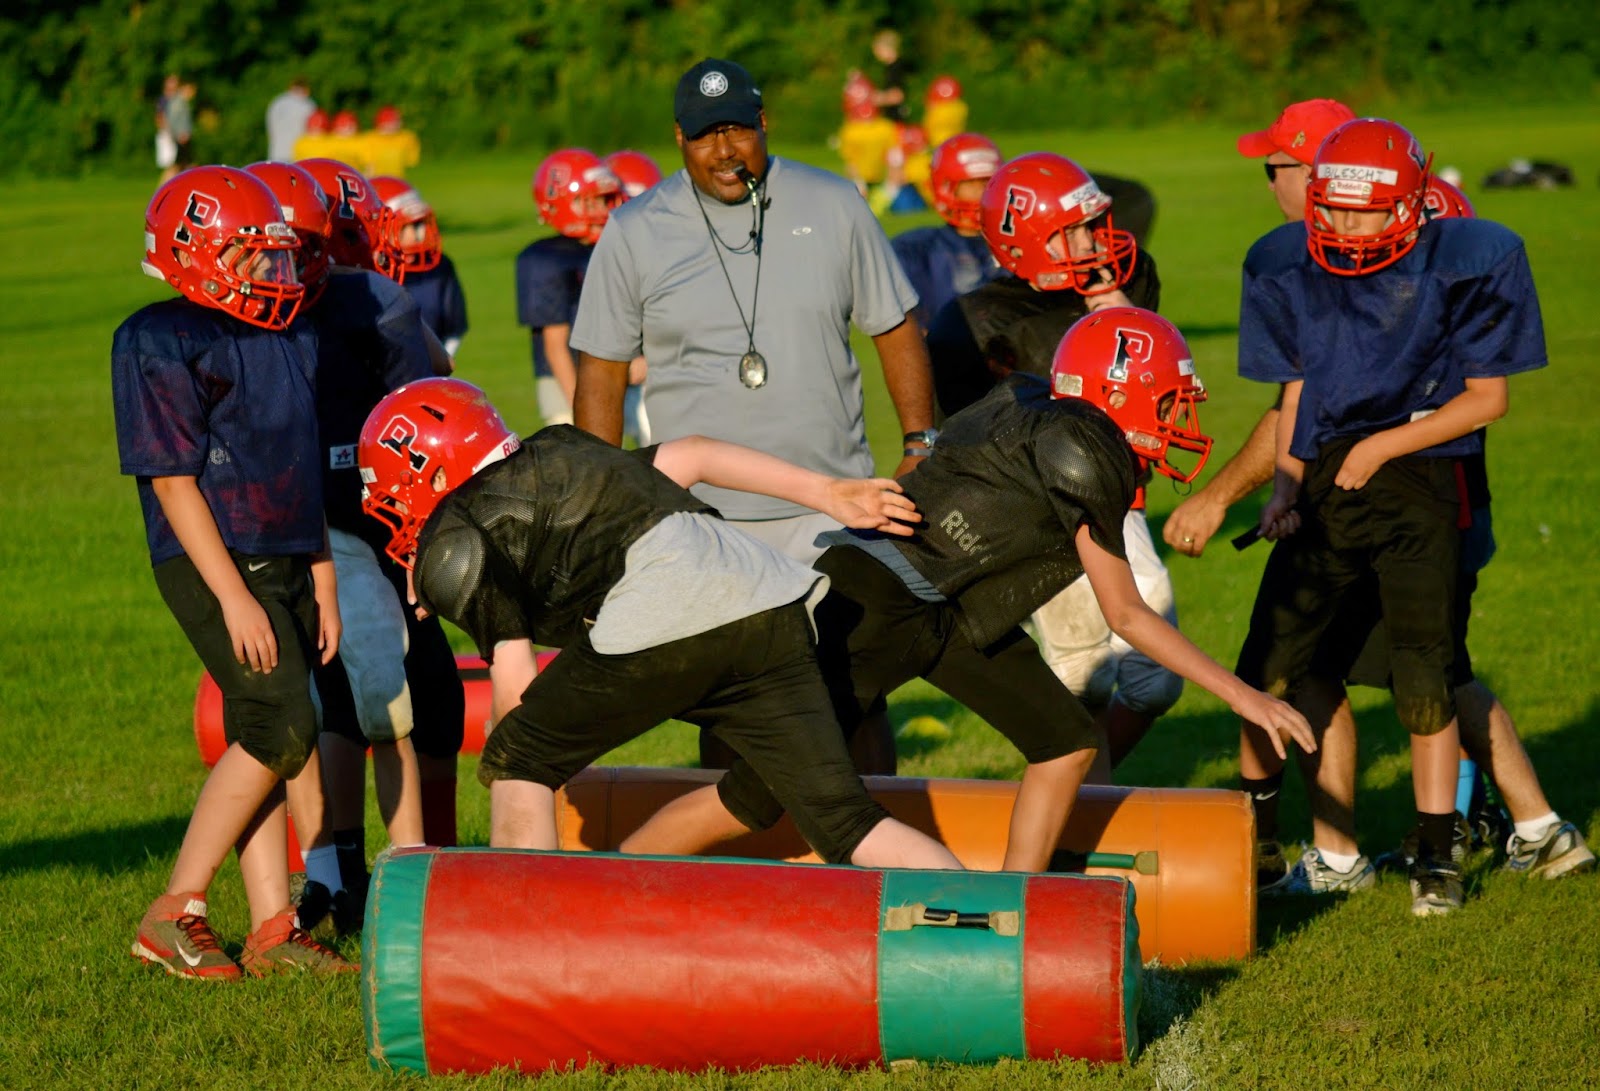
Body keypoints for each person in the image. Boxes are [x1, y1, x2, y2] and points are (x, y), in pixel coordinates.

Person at [620, 308, 1315, 870]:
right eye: (1166, 402)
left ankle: (1015, 912)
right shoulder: (1086, 450)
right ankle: (616, 871)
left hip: (950, 605)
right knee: (762, 789)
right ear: (1118, 396)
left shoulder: (1035, 404)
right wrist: (1242, 695)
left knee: (1067, 741)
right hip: (879, 598)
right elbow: (1126, 612)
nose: (1178, 420)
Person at [356, 377, 966, 872]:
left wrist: (524, 750)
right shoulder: (570, 448)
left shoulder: (457, 532)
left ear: (434, 476)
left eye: (396, 496)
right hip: (767, 595)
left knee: (519, 755)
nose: (401, 518)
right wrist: (827, 491)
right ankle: (979, 924)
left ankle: (526, 941)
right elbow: (694, 453)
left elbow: (514, 680)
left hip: (672, 600)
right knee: (844, 822)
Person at [1237, 117, 1589, 916]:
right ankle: (1257, 846)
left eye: (1368, 212)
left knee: (1427, 674)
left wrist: (1383, 446)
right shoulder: (1288, 264)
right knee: (1271, 665)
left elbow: (1487, 398)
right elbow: (1297, 392)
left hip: (1427, 485)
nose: (1350, 228)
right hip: (1328, 483)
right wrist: (1287, 484)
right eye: (1337, 210)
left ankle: (1441, 856)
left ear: (1413, 205)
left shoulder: (1465, 255)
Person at [571, 56, 939, 773]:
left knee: (856, 691)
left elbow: (895, 324)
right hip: (705, 519)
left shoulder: (834, 204)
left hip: (835, 500)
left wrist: (922, 439)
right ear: (679, 139)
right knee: (732, 700)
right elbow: (602, 372)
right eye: (707, 135)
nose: (726, 151)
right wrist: (601, 502)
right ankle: (745, 880)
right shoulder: (635, 230)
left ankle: (874, 868)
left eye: (739, 129)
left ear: (764, 125)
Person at [117, 165, 352, 977]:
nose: (273, 274)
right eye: (252, 258)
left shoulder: (285, 335)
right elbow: (172, 482)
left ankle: (272, 927)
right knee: (280, 724)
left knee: (274, 727)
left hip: (284, 549)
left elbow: (299, 464)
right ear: (195, 253)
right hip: (214, 557)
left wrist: (320, 570)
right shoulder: (161, 338)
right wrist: (233, 595)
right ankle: (175, 907)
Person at [923, 153, 1175, 779]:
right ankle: (1078, 816)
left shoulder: (1127, 275)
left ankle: (1078, 794)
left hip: (1117, 496)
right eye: (1076, 229)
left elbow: (1152, 372)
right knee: (1080, 671)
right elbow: (961, 436)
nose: (1094, 241)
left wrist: (1109, 302)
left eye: (1095, 223)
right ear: (1025, 240)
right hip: (1036, 511)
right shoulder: (972, 322)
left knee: (1154, 681)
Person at [517, 148, 623, 429]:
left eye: (606, 200)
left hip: (610, 371)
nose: (605, 210)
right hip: (568, 382)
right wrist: (583, 408)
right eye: (595, 201)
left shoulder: (603, 248)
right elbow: (555, 347)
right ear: (564, 202)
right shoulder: (546, 259)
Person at [890, 132, 1003, 333]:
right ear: (945, 187)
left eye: (987, 183)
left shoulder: (1017, 247)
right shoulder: (916, 250)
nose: (980, 193)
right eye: (969, 184)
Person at [371, 176, 469, 356]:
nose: (419, 235)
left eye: (420, 224)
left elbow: (455, 327)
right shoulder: (366, 277)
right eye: (408, 226)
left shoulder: (439, 267)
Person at [266, 77, 317, 162]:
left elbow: (270, 128)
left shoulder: (277, 102)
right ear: (306, 89)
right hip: (298, 154)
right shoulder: (308, 104)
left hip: (277, 152)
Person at [364, 104, 421, 179]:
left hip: (398, 178)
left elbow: (411, 160)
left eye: (395, 122)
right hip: (375, 178)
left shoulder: (406, 138)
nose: (392, 126)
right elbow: (367, 162)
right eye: (389, 123)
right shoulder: (370, 138)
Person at [156, 76, 194, 183]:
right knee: (173, 166)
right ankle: (162, 191)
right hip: (172, 137)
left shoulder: (177, 101)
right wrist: (175, 134)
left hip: (175, 136)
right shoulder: (172, 101)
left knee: (183, 166)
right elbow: (165, 119)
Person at [922, 75, 969, 150]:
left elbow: (929, 125)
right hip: (956, 140)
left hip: (940, 143)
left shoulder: (940, 110)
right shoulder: (959, 106)